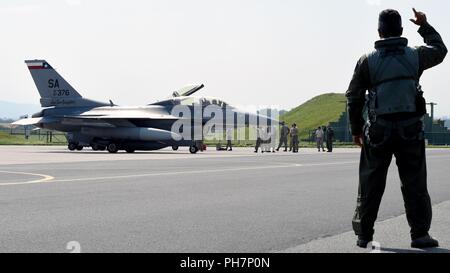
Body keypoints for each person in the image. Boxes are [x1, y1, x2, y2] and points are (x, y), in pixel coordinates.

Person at [346, 8, 447, 249]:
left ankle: (364, 235)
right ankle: (420, 235)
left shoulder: (366, 61)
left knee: (370, 183)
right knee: (414, 182)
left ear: (379, 32)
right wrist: (424, 25)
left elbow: (354, 96)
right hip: (410, 130)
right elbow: (441, 50)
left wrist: (356, 129)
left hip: (378, 131)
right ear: (402, 30)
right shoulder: (416, 55)